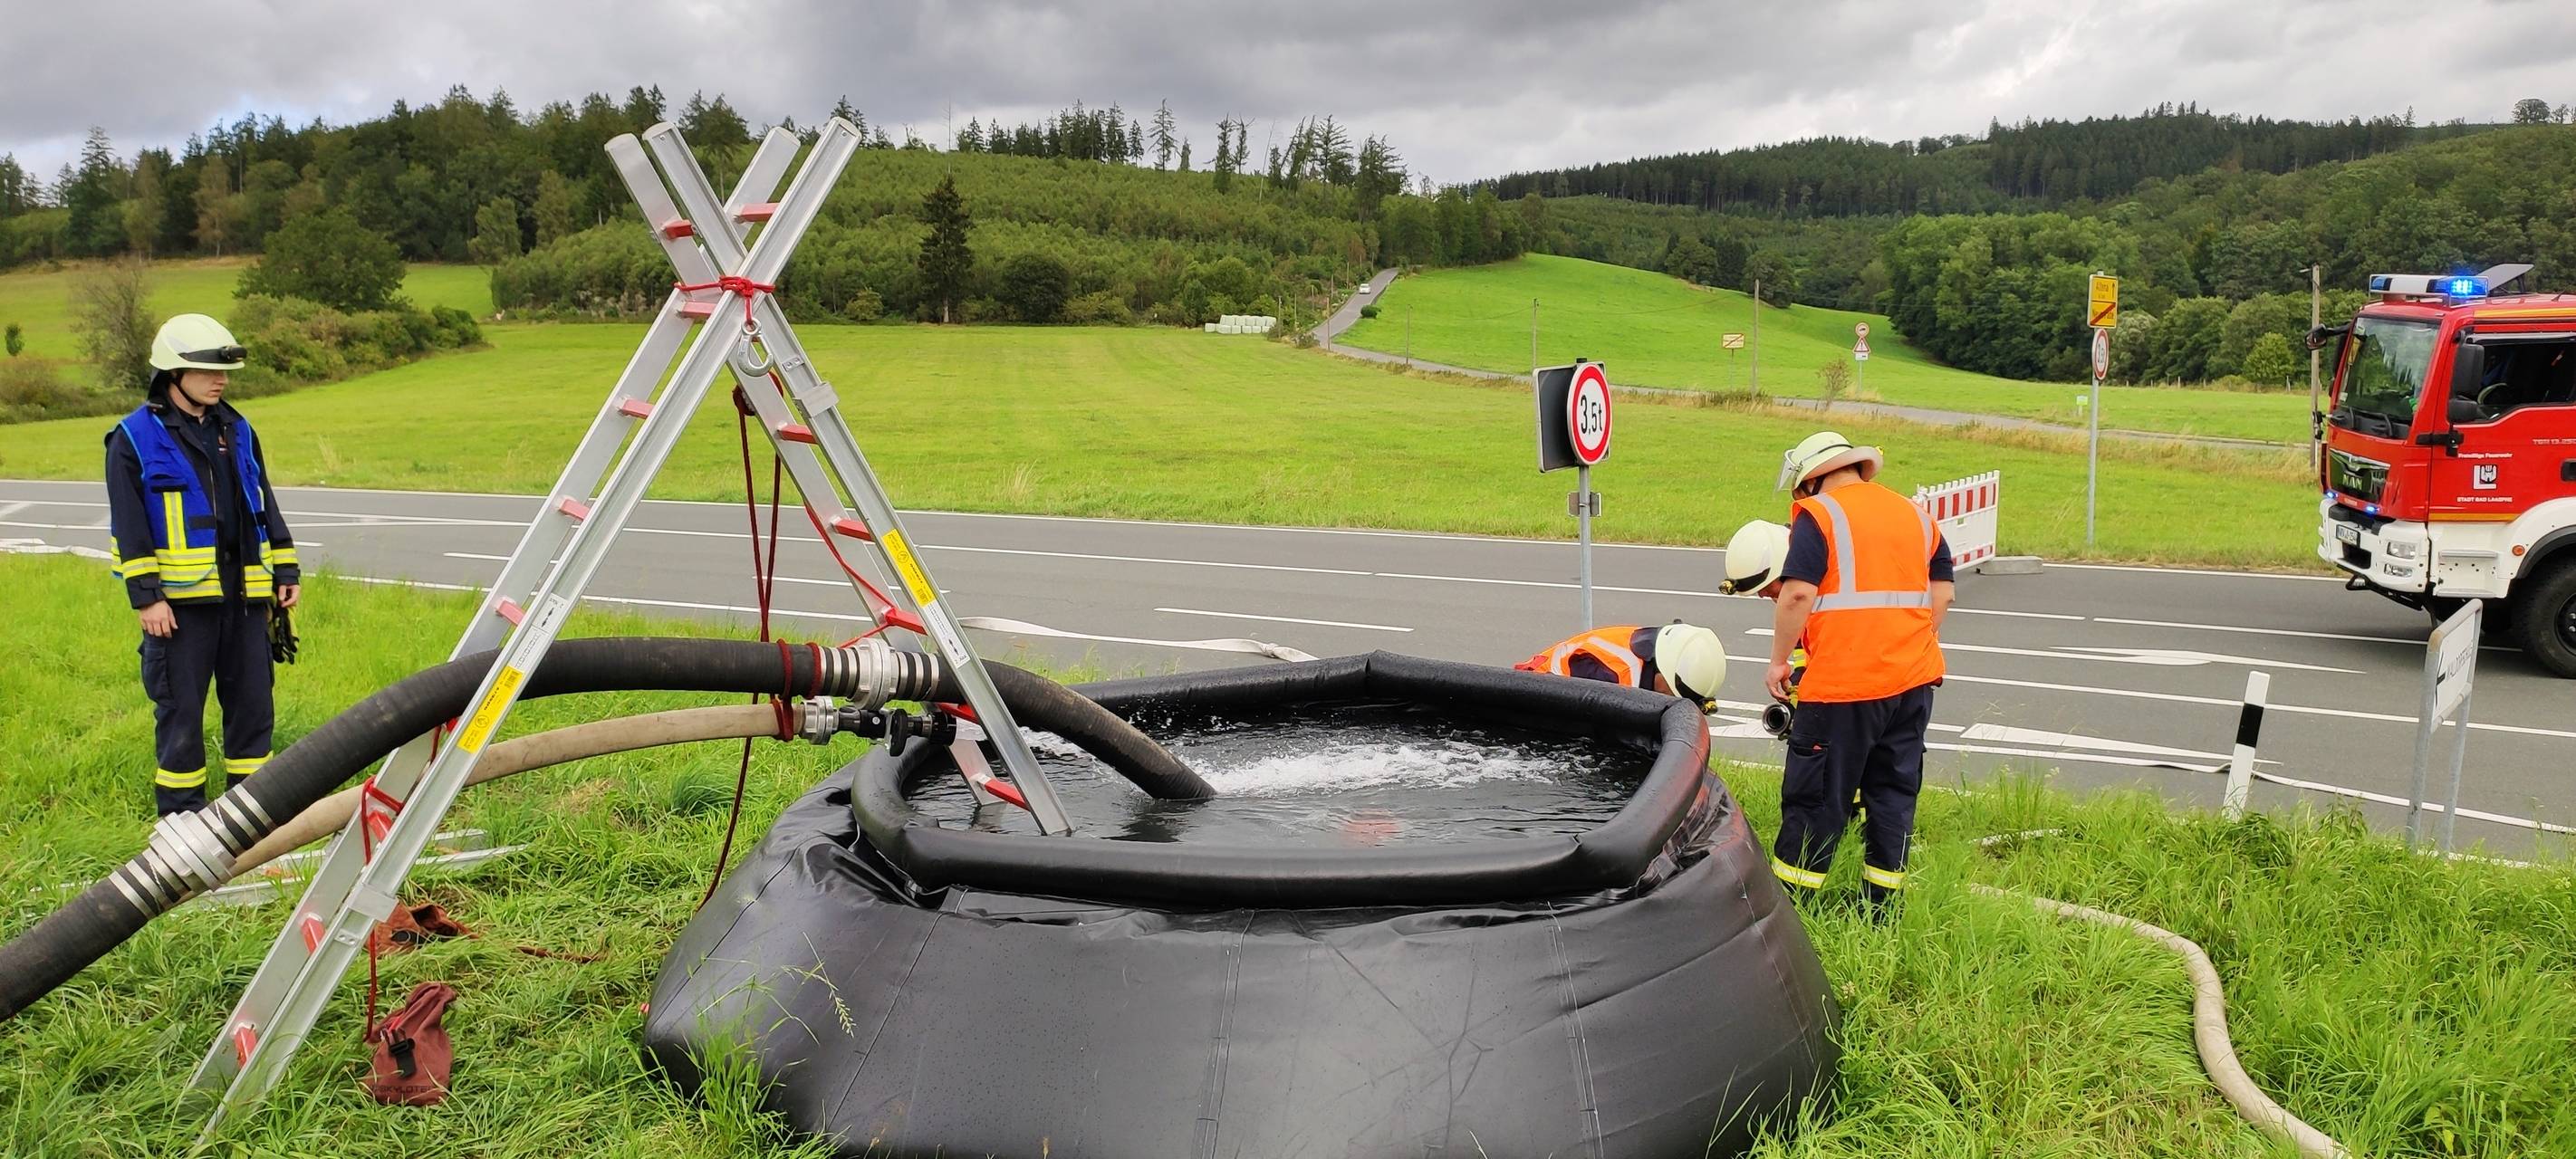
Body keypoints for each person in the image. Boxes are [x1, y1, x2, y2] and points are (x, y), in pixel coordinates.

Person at [106, 314, 301, 817]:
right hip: (179, 611)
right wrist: (147, 597)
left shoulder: (237, 428)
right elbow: (130, 526)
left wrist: (285, 571)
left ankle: (253, 822)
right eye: (210, 370)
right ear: (174, 373)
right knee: (180, 717)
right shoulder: (132, 438)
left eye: (226, 370)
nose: (222, 379)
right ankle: (181, 824)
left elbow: (264, 501)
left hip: (245, 600)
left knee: (254, 714)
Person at [1760, 432, 1952, 911]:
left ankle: (1792, 912)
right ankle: (1881, 909)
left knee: (1817, 797)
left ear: (1811, 480)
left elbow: (1798, 593)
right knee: (1892, 793)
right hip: (1913, 683)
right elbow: (1942, 593)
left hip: (1843, 687)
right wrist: (1907, 642)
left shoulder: (1819, 515)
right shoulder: (1916, 514)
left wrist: (1779, 660)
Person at [1514, 621, 1728, 710]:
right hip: (1533, 700)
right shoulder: (1609, 675)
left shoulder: (1659, 649)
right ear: (1662, 671)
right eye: (1675, 694)